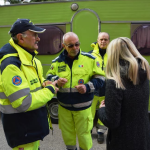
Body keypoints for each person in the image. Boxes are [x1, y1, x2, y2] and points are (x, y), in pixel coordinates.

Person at [0, 18, 58, 150]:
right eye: (35, 35)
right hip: (22, 131)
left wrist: (44, 83)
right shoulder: (11, 64)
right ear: (20, 38)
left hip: (31, 127)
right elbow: (23, 102)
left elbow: (33, 82)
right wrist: (49, 89)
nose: (38, 39)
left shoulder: (29, 58)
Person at [46, 32, 105, 150]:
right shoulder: (57, 62)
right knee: (68, 136)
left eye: (77, 44)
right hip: (64, 108)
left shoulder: (90, 59)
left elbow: (100, 79)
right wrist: (56, 80)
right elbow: (48, 76)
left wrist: (87, 87)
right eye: (70, 45)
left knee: (84, 136)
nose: (75, 48)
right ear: (63, 46)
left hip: (83, 109)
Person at [98, 37, 150, 150]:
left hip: (123, 141)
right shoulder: (144, 72)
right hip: (143, 136)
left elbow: (112, 121)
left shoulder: (115, 80)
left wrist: (101, 109)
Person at [89, 32, 110, 144]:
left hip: (107, 90)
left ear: (109, 41)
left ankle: (101, 133)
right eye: (101, 39)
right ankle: (88, 132)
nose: (103, 41)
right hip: (93, 90)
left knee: (103, 111)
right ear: (97, 40)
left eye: (105, 39)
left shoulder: (112, 55)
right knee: (89, 113)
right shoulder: (90, 55)